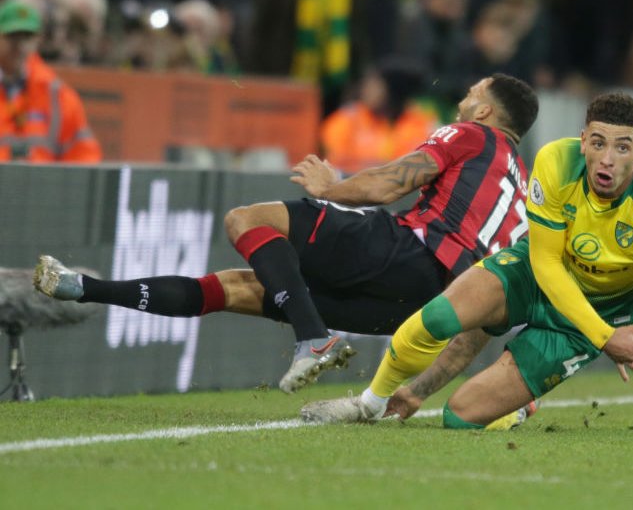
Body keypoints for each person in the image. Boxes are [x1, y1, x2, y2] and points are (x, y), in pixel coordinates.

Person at [301, 92, 633, 442]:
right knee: (436, 318)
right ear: (582, 140)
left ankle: (520, 404)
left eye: (622, 147)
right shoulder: (556, 163)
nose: (607, 159)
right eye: (598, 143)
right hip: (537, 272)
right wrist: (607, 339)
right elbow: (544, 262)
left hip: (589, 318)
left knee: (461, 417)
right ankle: (368, 405)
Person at [35, 73, 539, 397]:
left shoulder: (471, 134)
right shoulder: (521, 192)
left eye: (473, 93)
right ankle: (86, 288)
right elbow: (480, 319)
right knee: (237, 288)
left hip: (407, 251)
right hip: (426, 305)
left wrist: (332, 188)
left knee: (246, 220)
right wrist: (416, 393)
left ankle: (313, 340)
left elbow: (393, 183)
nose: (463, 98)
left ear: (486, 111)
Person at [0, 0, 101, 163]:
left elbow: (84, 157)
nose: (20, 45)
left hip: (41, 179)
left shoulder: (57, 95)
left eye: (27, 37)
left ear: (37, 40)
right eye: (12, 36)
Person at [319, 58, 438, 174]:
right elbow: (336, 162)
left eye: (375, 86)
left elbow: (420, 167)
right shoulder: (347, 119)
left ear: (394, 91)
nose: (366, 90)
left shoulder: (421, 124)